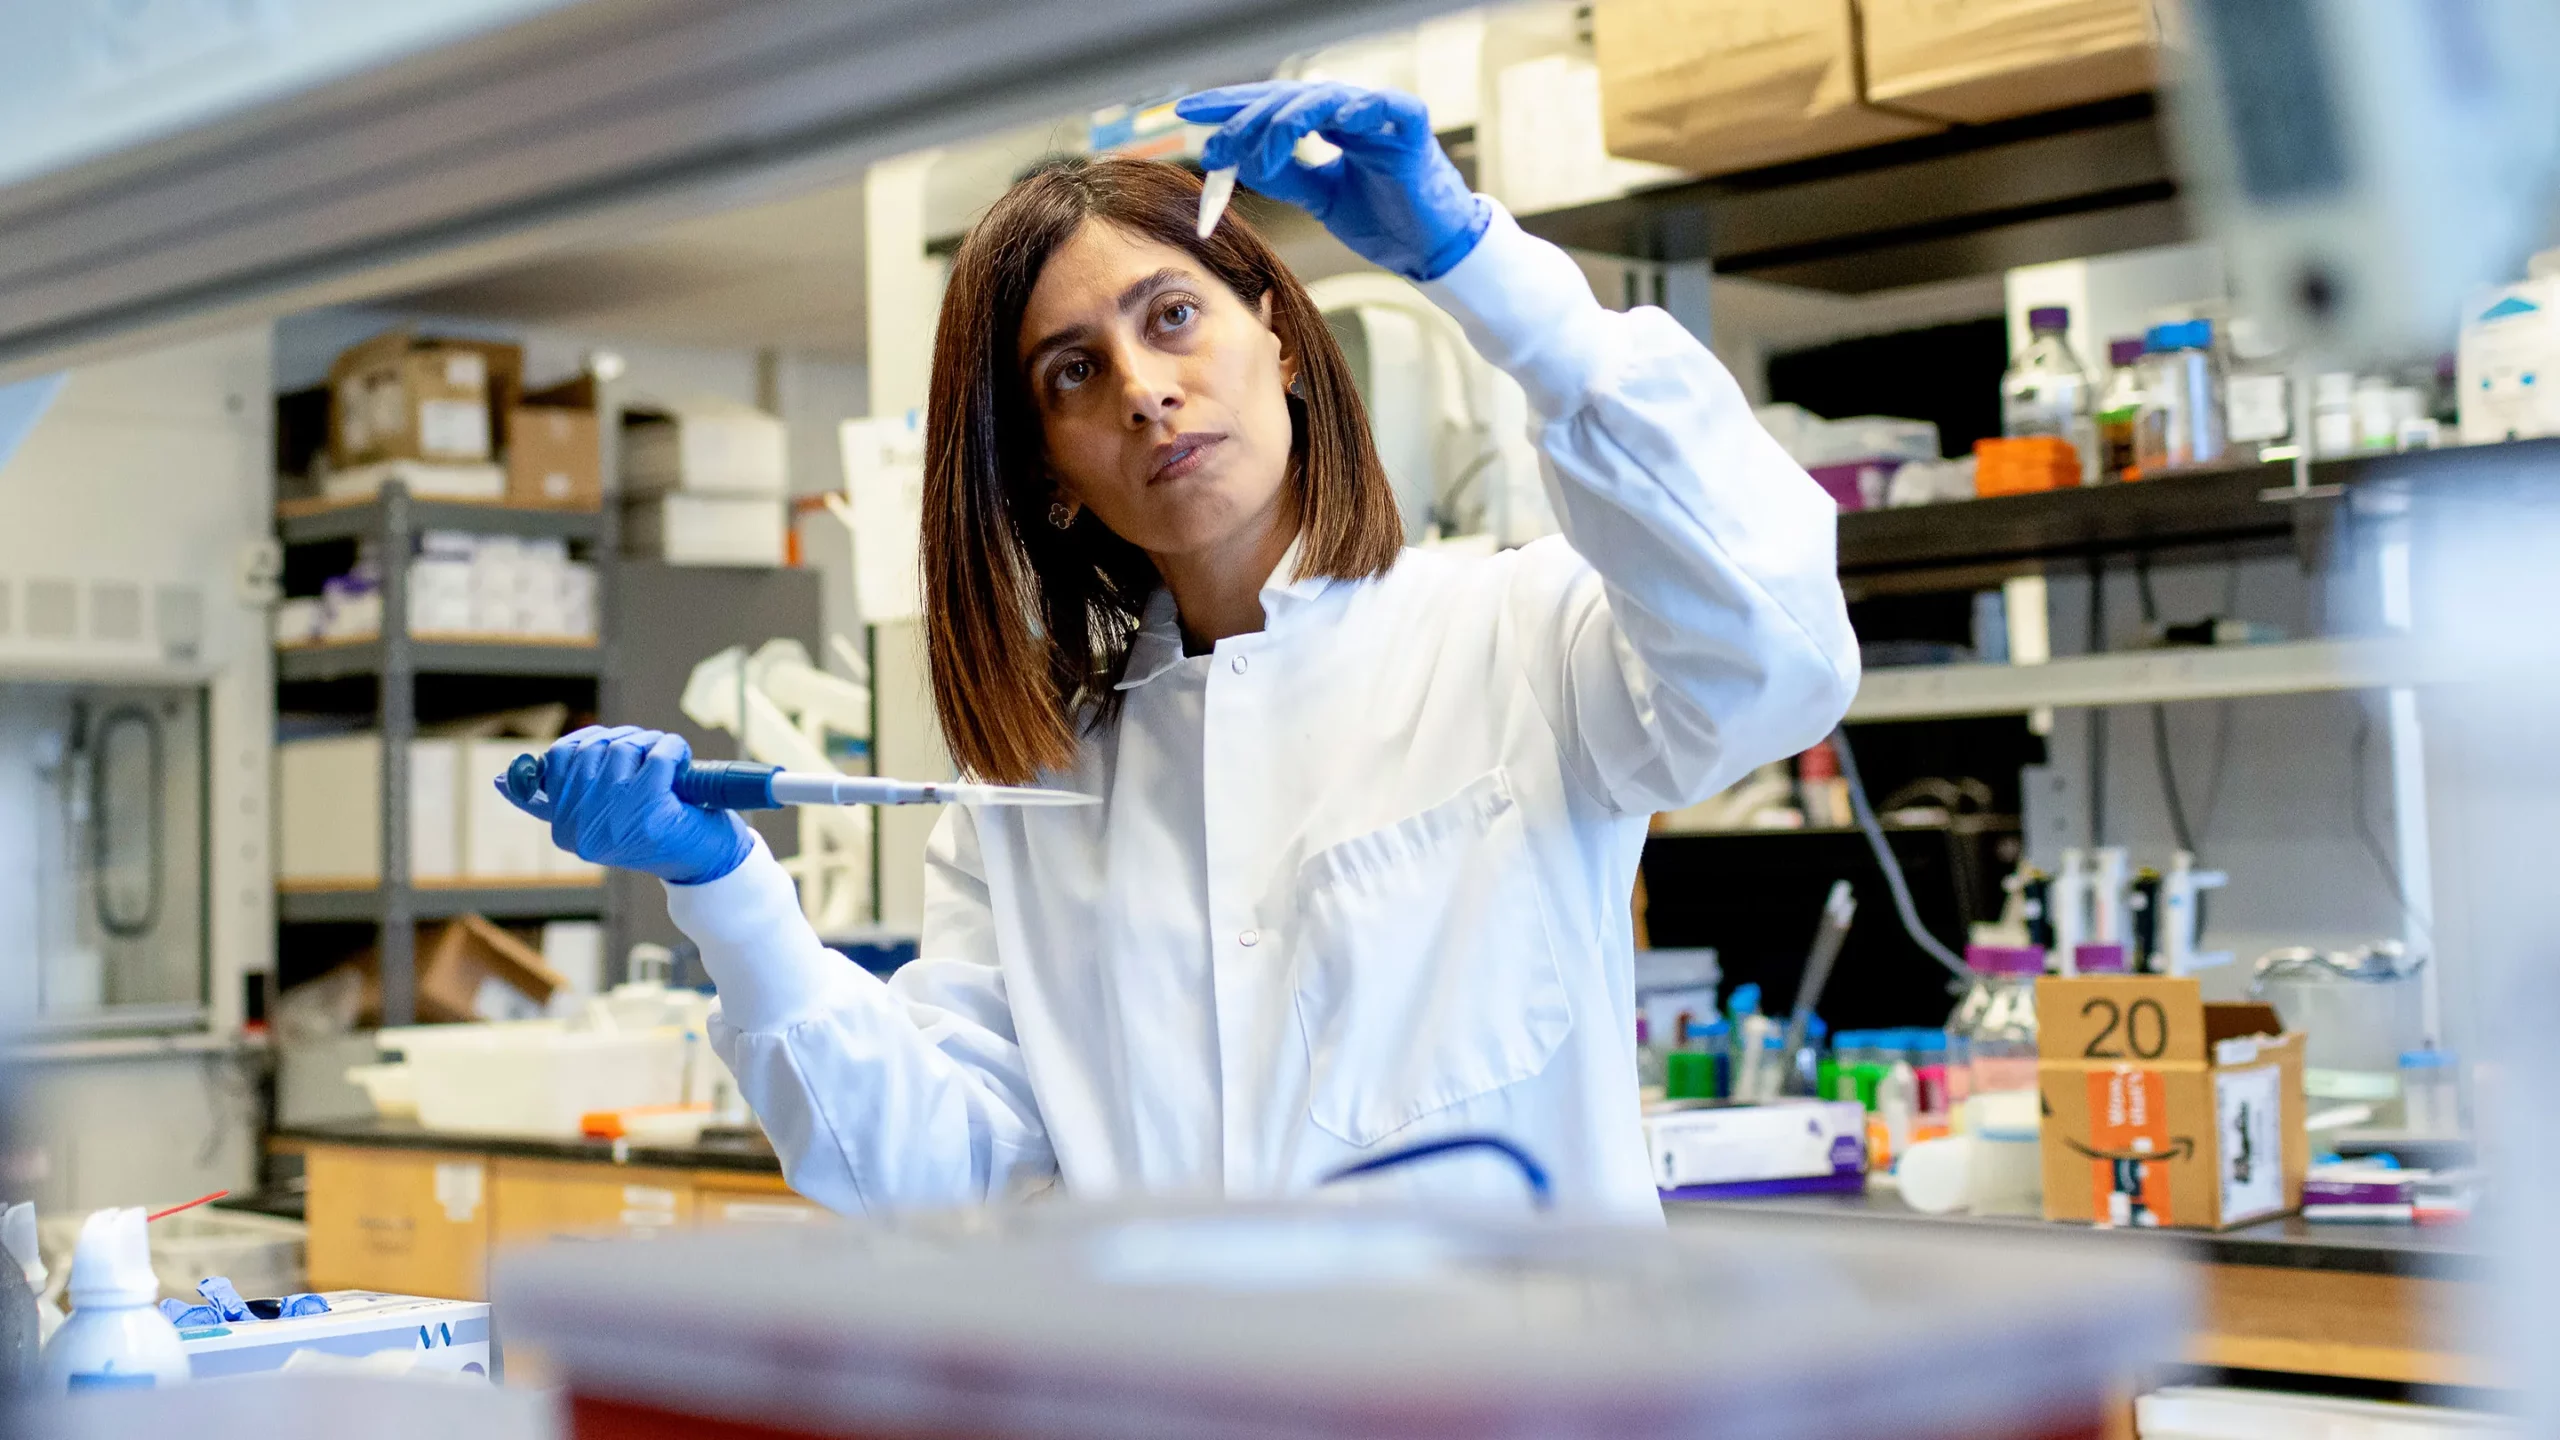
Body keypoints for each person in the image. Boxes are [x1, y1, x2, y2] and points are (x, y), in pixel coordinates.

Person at [509, 81, 1858, 1218]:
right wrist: (725, 887)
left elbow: (1780, 655)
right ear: (1045, 473)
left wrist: (1478, 266)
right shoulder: (1032, 793)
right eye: (1073, 372)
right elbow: (928, 1167)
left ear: (1276, 341)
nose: (1145, 388)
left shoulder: (1517, 638)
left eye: (1172, 318)